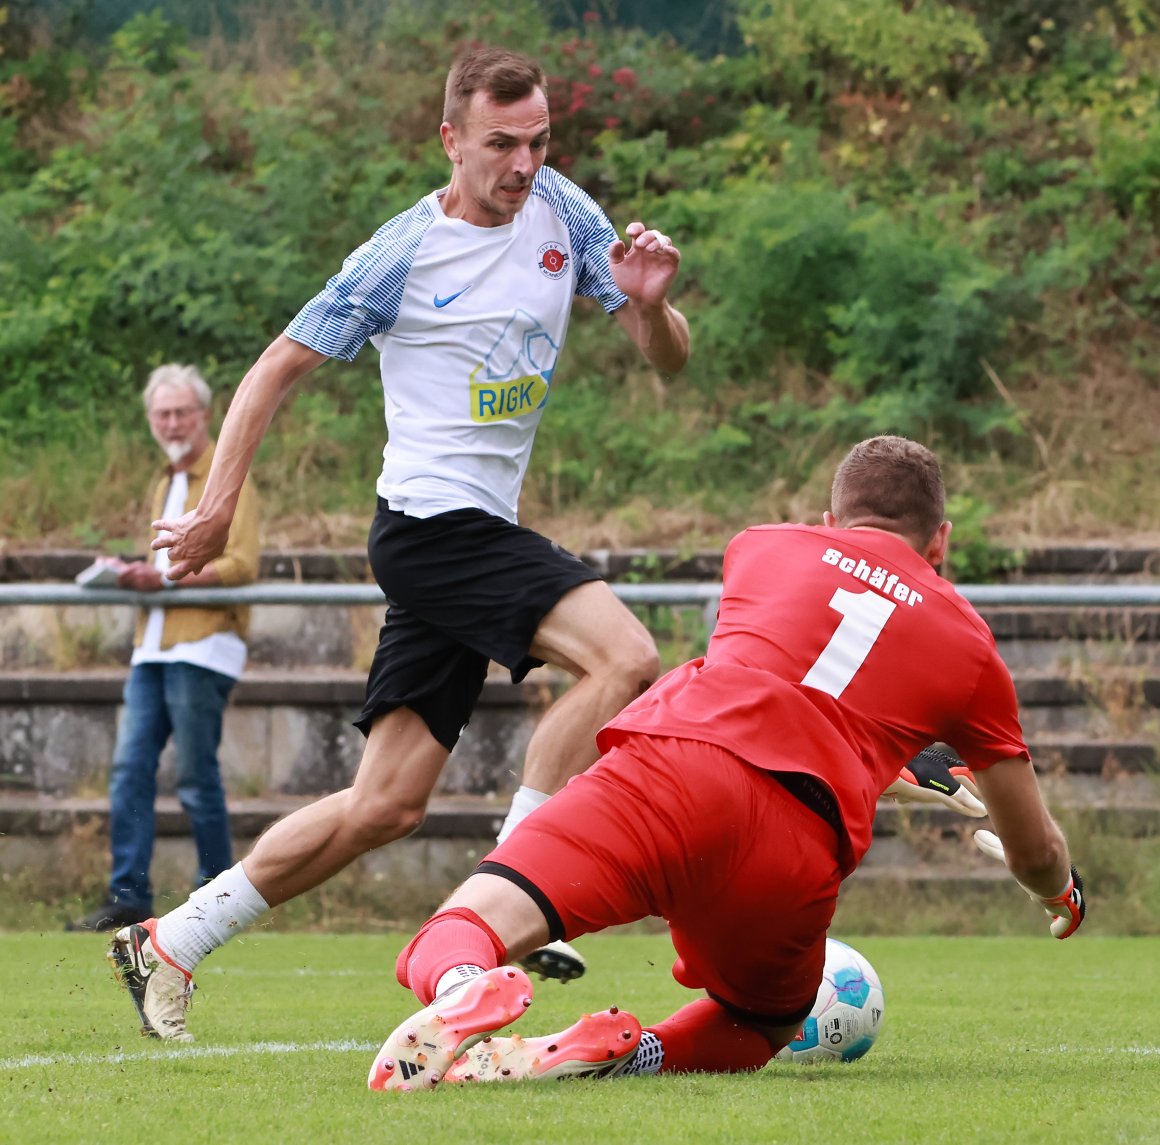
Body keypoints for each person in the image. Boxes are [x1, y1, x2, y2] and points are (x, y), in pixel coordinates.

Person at [106, 44, 689, 1041]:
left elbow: (666, 358)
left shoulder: (565, 210)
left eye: (539, 141)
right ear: (450, 139)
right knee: (625, 656)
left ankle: (171, 938)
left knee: (384, 803)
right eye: (501, 144)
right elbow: (273, 366)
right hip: (430, 528)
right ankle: (516, 886)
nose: (523, 163)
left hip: (473, 533)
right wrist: (215, 506)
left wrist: (650, 304)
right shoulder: (401, 253)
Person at [364, 434, 1087, 1093]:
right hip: (796, 839)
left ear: (829, 519)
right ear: (941, 541)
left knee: (468, 921)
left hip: (672, 768)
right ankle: (636, 1053)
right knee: (761, 1022)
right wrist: (1061, 891)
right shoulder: (971, 649)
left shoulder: (764, 545)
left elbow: (797, 671)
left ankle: (463, 984)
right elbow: (1033, 850)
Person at [69, 364, 260, 934]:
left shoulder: (228, 476)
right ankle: (129, 898)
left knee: (196, 777)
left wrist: (162, 580)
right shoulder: (165, 480)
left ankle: (218, 898)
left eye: (181, 412)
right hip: (151, 646)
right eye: (162, 414)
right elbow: (167, 564)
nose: (172, 423)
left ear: (204, 415)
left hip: (202, 645)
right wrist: (134, 572)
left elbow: (242, 564)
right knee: (129, 771)